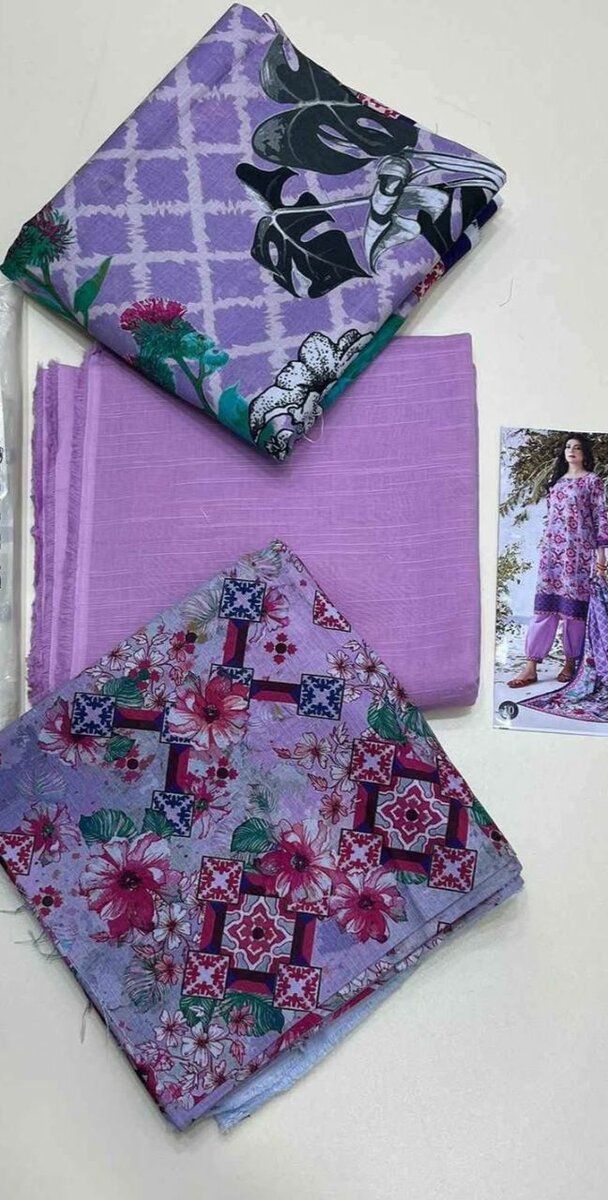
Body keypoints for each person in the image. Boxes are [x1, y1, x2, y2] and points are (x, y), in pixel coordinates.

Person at [509, 433, 608, 687]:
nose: (571, 451)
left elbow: (601, 517)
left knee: (574, 612)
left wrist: (601, 557)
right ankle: (530, 666)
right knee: (544, 608)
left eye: (577, 447)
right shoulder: (557, 483)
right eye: (568, 447)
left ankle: (570, 662)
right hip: (553, 553)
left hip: (580, 554)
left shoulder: (592, 481)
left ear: (584, 453)